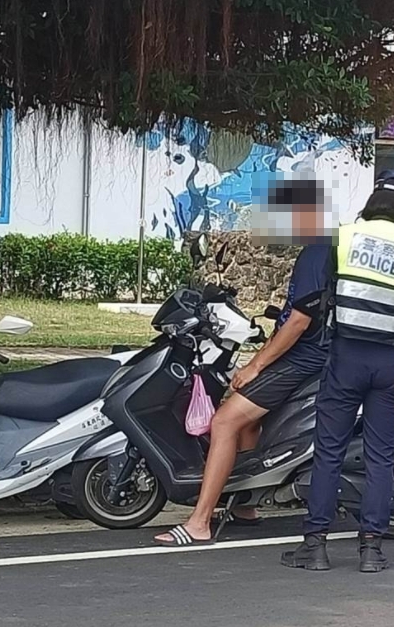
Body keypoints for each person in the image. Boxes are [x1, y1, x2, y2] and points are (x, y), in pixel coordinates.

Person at [154, 178, 332, 546]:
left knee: (224, 421)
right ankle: (245, 504)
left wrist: (255, 365)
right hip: (308, 354)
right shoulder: (319, 249)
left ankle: (199, 522)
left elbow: (300, 321)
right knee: (248, 416)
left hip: (307, 358)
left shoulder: (318, 252)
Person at [280, 170, 394, 573]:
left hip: (344, 356)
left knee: (329, 450)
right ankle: (371, 549)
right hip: (389, 363)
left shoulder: (345, 237)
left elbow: (323, 292)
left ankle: (315, 546)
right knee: (380, 454)